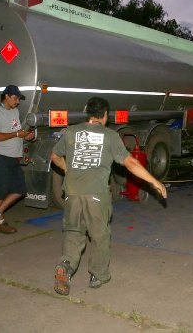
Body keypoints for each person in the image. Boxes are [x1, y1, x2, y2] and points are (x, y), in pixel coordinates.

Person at [50, 97, 167, 295]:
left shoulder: (71, 132)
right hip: (96, 195)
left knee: (73, 233)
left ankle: (65, 267)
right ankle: (98, 274)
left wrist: (68, 169)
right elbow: (130, 163)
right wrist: (154, 182)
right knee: (100, 236)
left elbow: (54, 156)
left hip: (72, 194)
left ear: (87, 112)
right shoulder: (110, 136)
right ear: (105, 115)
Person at [0, 85, 35, 236]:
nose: (18, 101)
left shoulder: (15, 111)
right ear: (6, 96)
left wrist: (25, 136)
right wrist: (16, 134)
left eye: (19, 99)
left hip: (13, 158)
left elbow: (15, 131)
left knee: (20, 189)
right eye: (15, 98)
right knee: (0, 193)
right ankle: (0, 222)